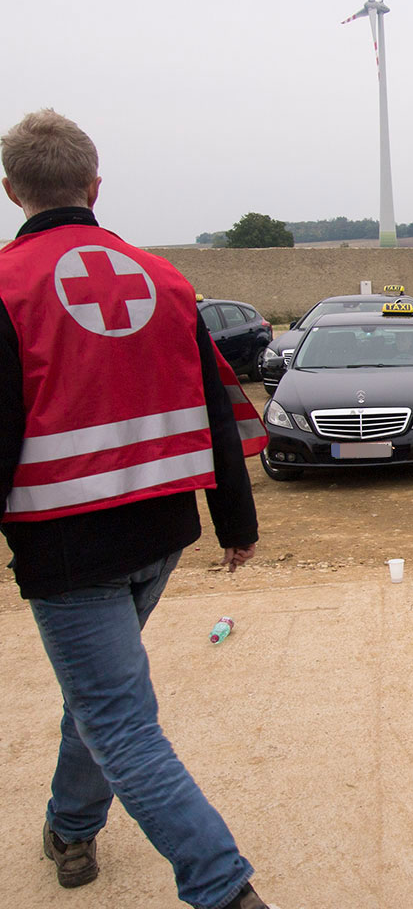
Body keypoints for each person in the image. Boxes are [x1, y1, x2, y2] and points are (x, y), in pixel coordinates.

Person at [0, 110, 276, 909]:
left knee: (118, 720)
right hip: (162, 534)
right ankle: (72, 827)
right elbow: (218, 408)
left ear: (12, 190)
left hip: (68, 550)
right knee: (100, 697)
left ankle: (223, 890)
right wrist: (236, 524)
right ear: (95, 186)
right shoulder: (164, 280)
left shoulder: (7, 287)